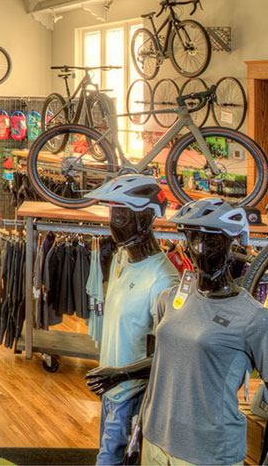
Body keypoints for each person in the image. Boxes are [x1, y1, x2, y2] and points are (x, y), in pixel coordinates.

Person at [87, 198, 268, 465]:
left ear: (232, 245)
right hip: (156, 443)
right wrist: (137, 433)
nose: (201, 250)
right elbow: (161, 369)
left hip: (209, 453)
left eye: (212, 242)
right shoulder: (169, 299)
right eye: (193, 239)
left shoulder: (255, 319)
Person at [83, 176, 178, 466]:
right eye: (112, 215)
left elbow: (171, 356)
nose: (113, 225)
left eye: (121, 216)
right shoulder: (122, 257)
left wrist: (122, 375)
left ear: (146, 220)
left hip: (131, 395)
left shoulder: (163, 280)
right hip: (111, 391)